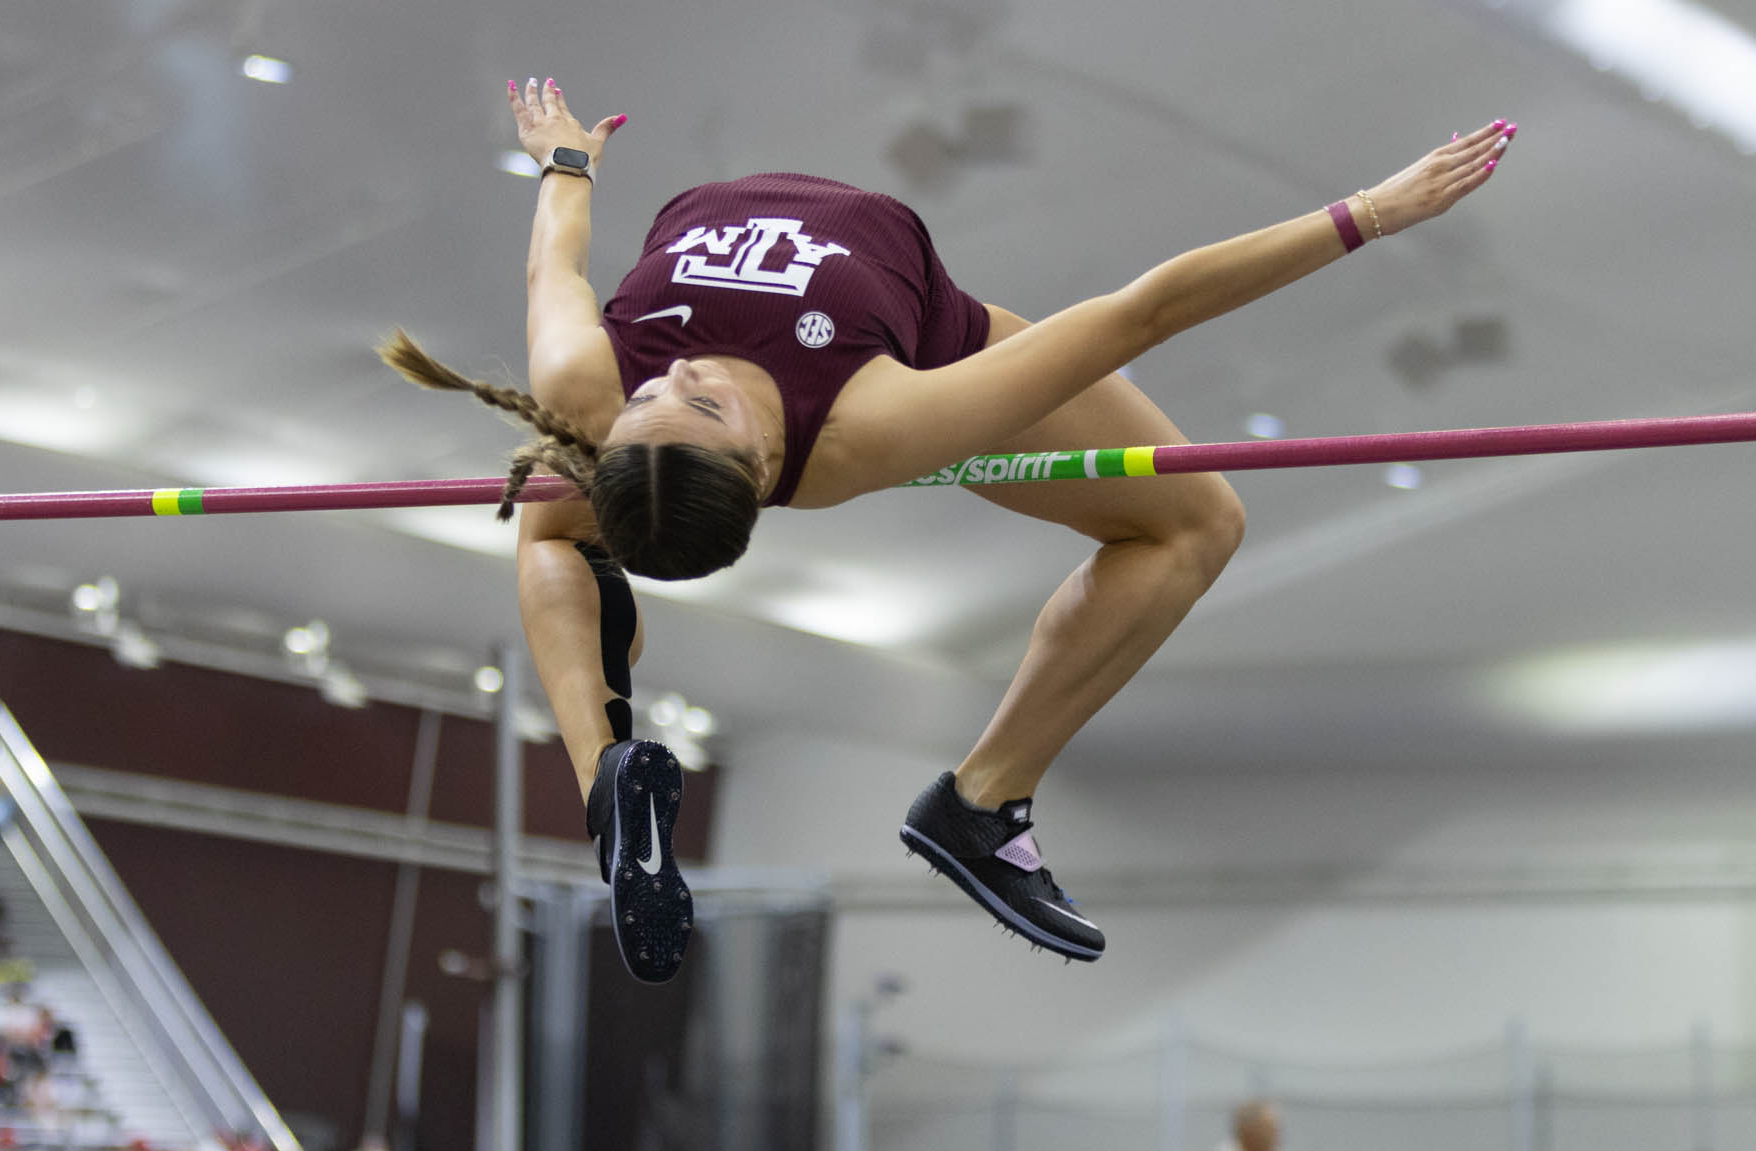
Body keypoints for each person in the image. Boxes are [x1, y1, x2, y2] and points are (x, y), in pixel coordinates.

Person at [382, 76, 1515, 983]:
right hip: (939, 334)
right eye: (699, 402)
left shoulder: (589, 389)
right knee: (1196, 522)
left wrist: (566, 160)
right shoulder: (881, 422)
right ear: (768, 461)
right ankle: (979, 800)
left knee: (549, 522)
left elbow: (554, 257)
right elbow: (1142, 310)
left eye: (652, 399)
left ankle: (606, 780)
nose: (669, 374)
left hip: (735, 402)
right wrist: (1367, 216)